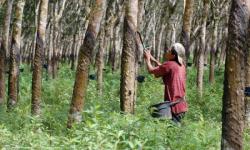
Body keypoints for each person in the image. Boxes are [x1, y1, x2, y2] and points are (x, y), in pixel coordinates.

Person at [144, 43, 188, 123]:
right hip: (181, 105)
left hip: (174, 107)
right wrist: (153, 59)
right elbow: (165, 68)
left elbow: (151, 70)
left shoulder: (169, 65)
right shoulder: (181, 66)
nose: (168, 52)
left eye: (170, 51)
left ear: (174, 55)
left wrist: (147, 59)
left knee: (173, 132)